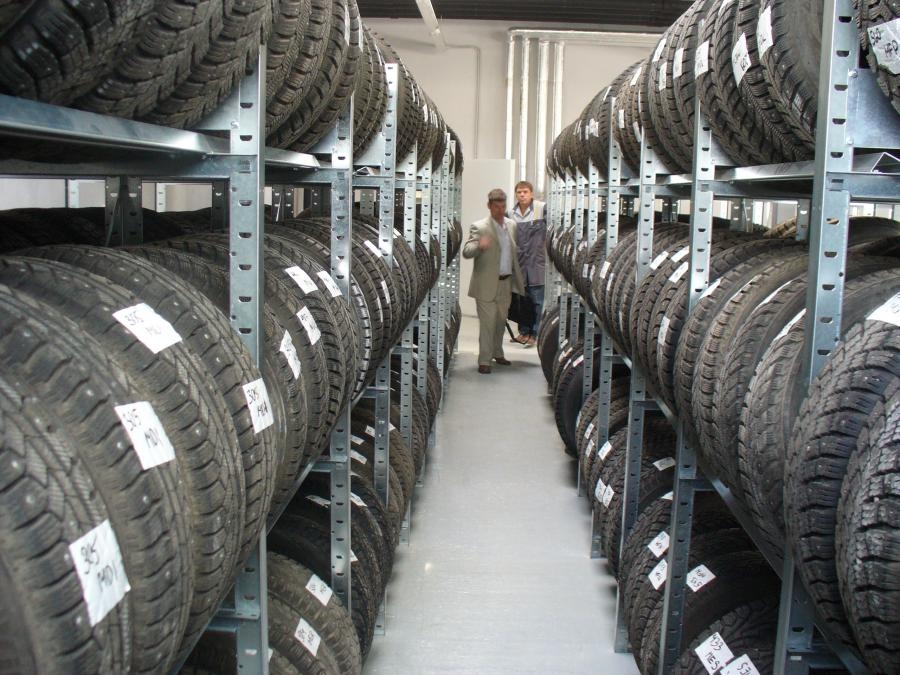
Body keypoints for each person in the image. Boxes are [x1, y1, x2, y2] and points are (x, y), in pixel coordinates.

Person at [463, 188, 525, 374]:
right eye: (496, 206)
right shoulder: (479, 226)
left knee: (500, 321)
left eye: (503, 206)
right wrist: (479, 246)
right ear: (489, 206)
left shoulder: (512, 225)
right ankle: (484, 360)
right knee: (487, 323)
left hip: (506, 283)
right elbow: (467, 251)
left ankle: (498, 352)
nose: (500, 210)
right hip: (485, 284)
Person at [509, 180, 546, 347]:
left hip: (536, 263)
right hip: (519, 264)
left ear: (531, 194)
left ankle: (534, 334)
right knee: (521, 301)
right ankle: (523, 332)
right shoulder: (511, 214)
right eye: (519, 192)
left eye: (525, 192)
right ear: (516, 194)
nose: (522, 195)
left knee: (537, 301)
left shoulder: (541, 209)